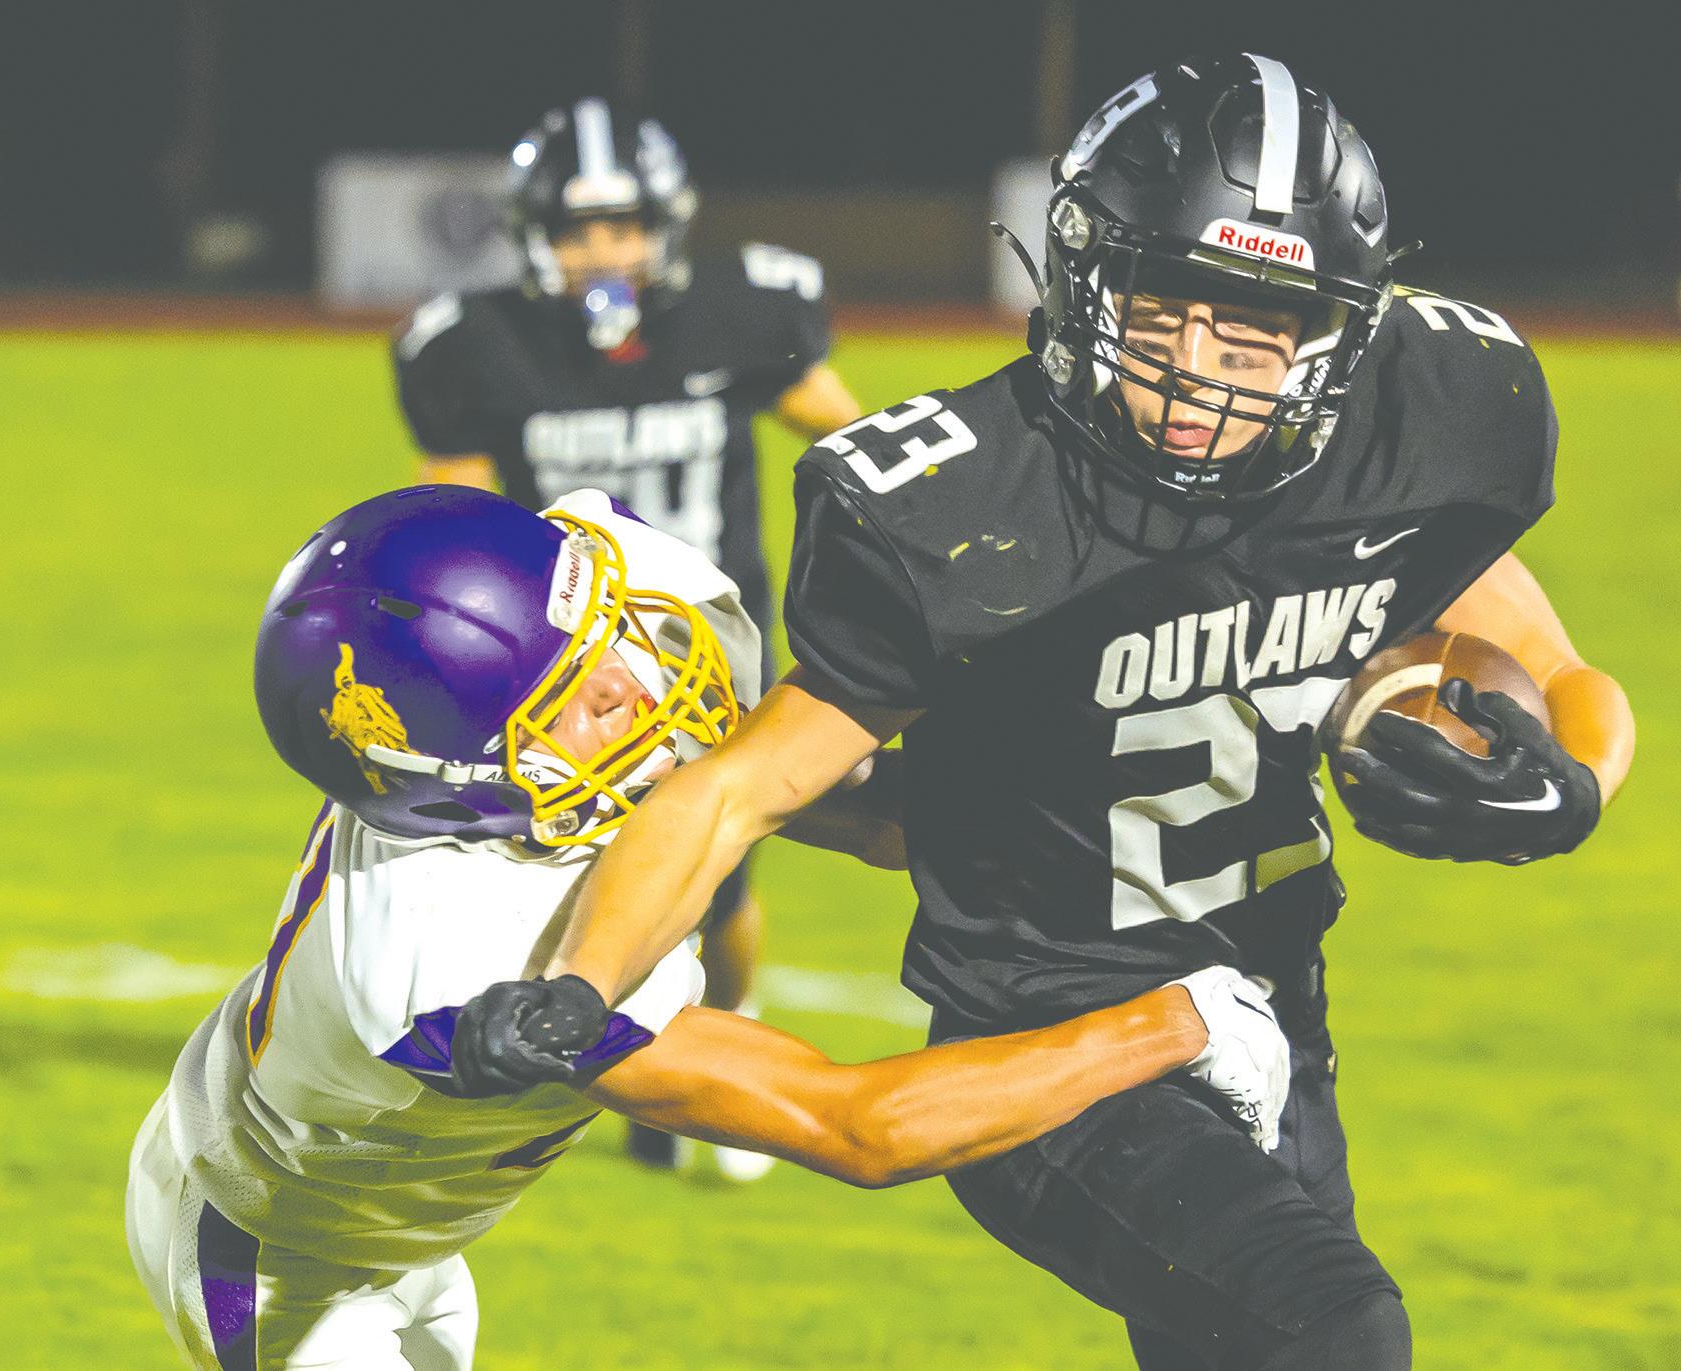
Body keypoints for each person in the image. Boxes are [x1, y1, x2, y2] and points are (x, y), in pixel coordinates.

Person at [456, 55, 1636, 1370]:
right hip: (1051, 1039)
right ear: (1082, 278)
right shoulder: (965, 502)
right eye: (1166, 305)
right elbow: (746, 785)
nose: (1202, 368)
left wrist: (1579, 776)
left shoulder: (1423, 412)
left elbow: (1547, 656)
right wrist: (579, 983)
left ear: (1343, 329)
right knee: (1335, 1328)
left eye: (1259, 324)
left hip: (1276, 1013)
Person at [125, 484, 1289, 1371]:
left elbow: (832, 799)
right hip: (291, 1261)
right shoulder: (450, 952)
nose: (630, 683)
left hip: (379, 1196)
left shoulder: (580, 645)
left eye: (597, 635)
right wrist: (1173, 1026)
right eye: (573, 699)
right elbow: (857, 1127)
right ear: (469, 787)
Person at [392, 100, 863, 1175]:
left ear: (668, 226)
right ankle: (625, 1059)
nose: (603, 252)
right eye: (577, 230)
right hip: (565, 662)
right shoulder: (478, 345)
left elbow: (850, 433)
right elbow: (462, 520)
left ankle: (726, 1031)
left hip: (710, 651)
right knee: (570, 867)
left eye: (624, 226)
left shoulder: (742, 312)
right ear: (532, 235)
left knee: (720, 875)